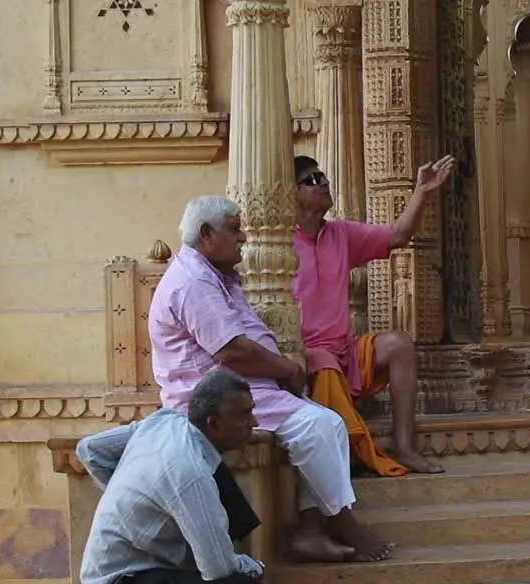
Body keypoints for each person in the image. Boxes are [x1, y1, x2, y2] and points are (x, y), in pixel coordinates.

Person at [149, 195, 392, 564]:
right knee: (319, 426)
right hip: (211, 397)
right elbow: (233, 351)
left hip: (244, 387)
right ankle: (343, 523)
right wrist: (287, 370)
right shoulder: (192, 281)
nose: (243, 238)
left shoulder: (215, 274)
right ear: (205, 234)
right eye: (233, 230)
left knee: (325, 426)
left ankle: (310, 531)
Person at [293, 154, 454, 476]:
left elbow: (397, 237)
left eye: (322, 176)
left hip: (344, 350)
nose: (323, 183)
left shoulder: (340, 233)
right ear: (291, 193)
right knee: (322, 364)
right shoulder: (276, 242)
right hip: (306, 355)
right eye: (311, 180)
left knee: (400, 345)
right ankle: (344, 459)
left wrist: (421, 192)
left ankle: (405, 447)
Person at [78, 370, 275, 584]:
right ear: (214, 423)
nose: (254, 422)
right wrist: (254, 568)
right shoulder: (190, 473)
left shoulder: (165, 422)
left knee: (219, 472)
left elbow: (90, 449)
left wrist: (136, 496)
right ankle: (228, 554)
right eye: (245, 415)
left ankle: (221, 547)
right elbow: (218, 570)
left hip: (154, 556)